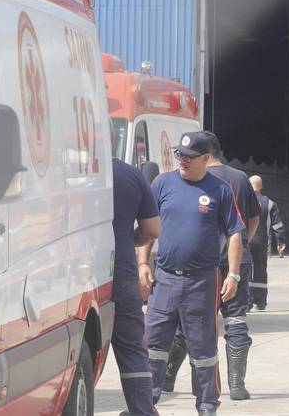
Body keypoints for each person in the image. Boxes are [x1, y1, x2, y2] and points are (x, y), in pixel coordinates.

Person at [138, 131, 245, 416]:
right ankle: (145, 403)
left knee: (202, 348)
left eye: (189, 157)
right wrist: (143, 263)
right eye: (180, 155)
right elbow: (148, 226)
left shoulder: (220, 190)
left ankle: (207, 404)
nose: (182, 161)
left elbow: (235, 233)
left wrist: (233, 275)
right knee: (153, 342)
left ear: (206, 159)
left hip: (202, 282)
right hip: (164, 279)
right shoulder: (163, 184)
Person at [162, 132, 260, 401]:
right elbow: (253, 219)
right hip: (235, 263)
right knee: (236, 320)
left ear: (205, 155)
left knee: (189, 322)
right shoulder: (239, 178)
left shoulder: (195, 179)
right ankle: (236, 385)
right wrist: (240, 246)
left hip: (200, 264)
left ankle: (167, 378)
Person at [111, 157, 162, 416]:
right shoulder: (130, 174)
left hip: (70, 277)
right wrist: (125, 238)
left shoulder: (64, 171)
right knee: (132, 349)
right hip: (120, 272)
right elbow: (152, 230)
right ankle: (143, 411)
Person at [247, 175, 285, 311]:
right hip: (261, 242)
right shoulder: (270, 203)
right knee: (260, 270)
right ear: (261, 186)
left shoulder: (242, 201)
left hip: (245, 241)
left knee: (245, 270)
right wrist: (281, 241)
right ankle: (260, 302)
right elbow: (277, 225)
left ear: (248, 186)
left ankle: (247, 302)